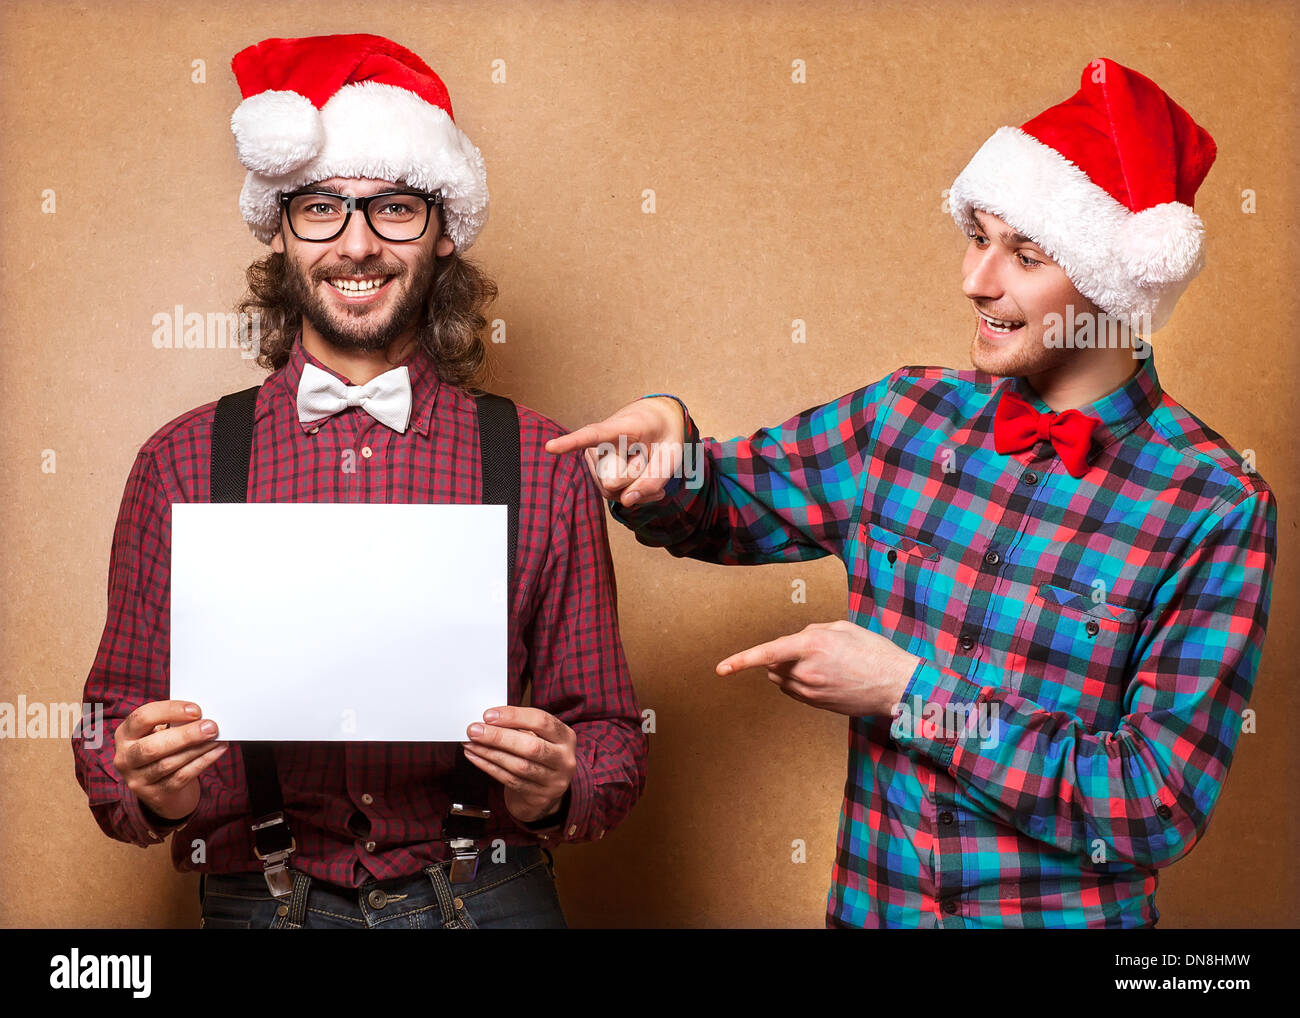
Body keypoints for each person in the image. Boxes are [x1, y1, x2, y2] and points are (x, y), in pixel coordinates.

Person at [548, 57, 1277, 928]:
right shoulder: (908, 415)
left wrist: (911, 695)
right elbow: (729, 501)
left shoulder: (1213, 504)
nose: (977, 280)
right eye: (978, 236)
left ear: (1112, 287)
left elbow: (1151, 803)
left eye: (1026, 255)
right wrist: (671, 449)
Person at [72, 33, 647, 930]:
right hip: (257, 900)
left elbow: (613, 739)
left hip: (487, 894)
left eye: (395, 209)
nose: (358, 244)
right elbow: (109, 735)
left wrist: (558, 781)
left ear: (445, 229)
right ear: (280, 229)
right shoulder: (181, 461)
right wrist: (147, 783)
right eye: (322, 210)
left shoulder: (543, 466)